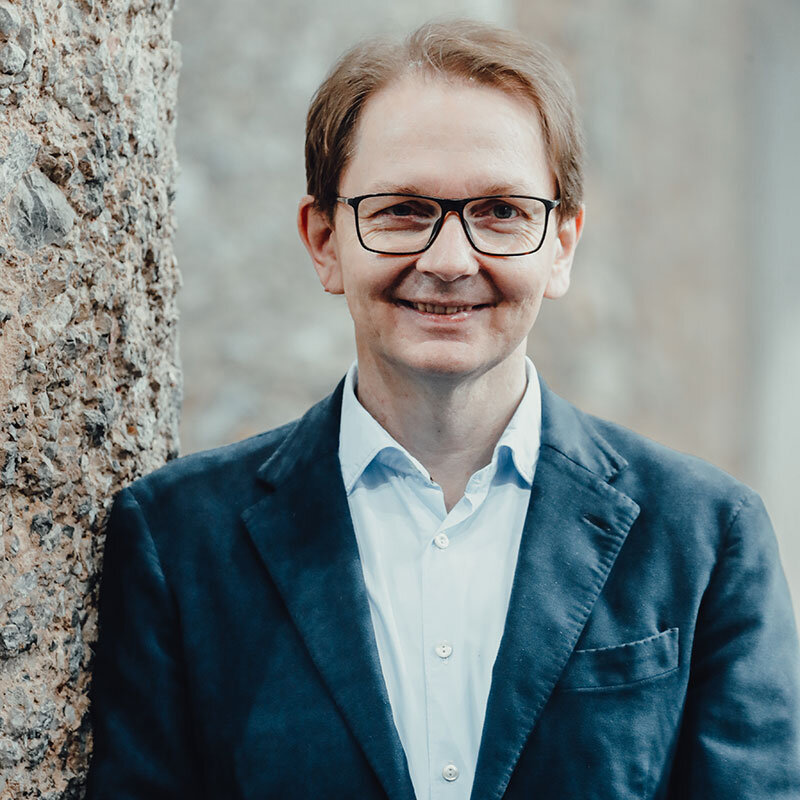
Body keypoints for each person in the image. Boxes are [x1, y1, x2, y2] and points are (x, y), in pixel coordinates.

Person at [86, 19, 800, 800]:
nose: (450, 261)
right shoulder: (177, 540)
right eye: (401, 210)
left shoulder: (705, 536)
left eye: (500, 211)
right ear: (324, 240)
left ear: (560, 245)